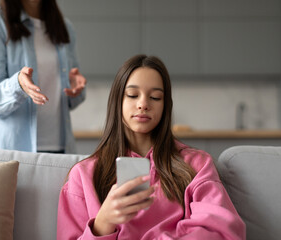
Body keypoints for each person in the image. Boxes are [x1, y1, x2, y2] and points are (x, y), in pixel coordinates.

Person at [57, 55, 246, 239]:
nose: (143, 104)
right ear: (117, 101)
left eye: (155, 97)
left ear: (166, 105)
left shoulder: (197, 164)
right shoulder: (83, 175)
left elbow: (221, 230)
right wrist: (102, 223)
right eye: (132, 95)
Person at [0, 0, 86, 153]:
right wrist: (18, 85)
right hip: (12, 153)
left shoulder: (65, 27)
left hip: (62, 151)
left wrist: (76, 88)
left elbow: (71, 98)